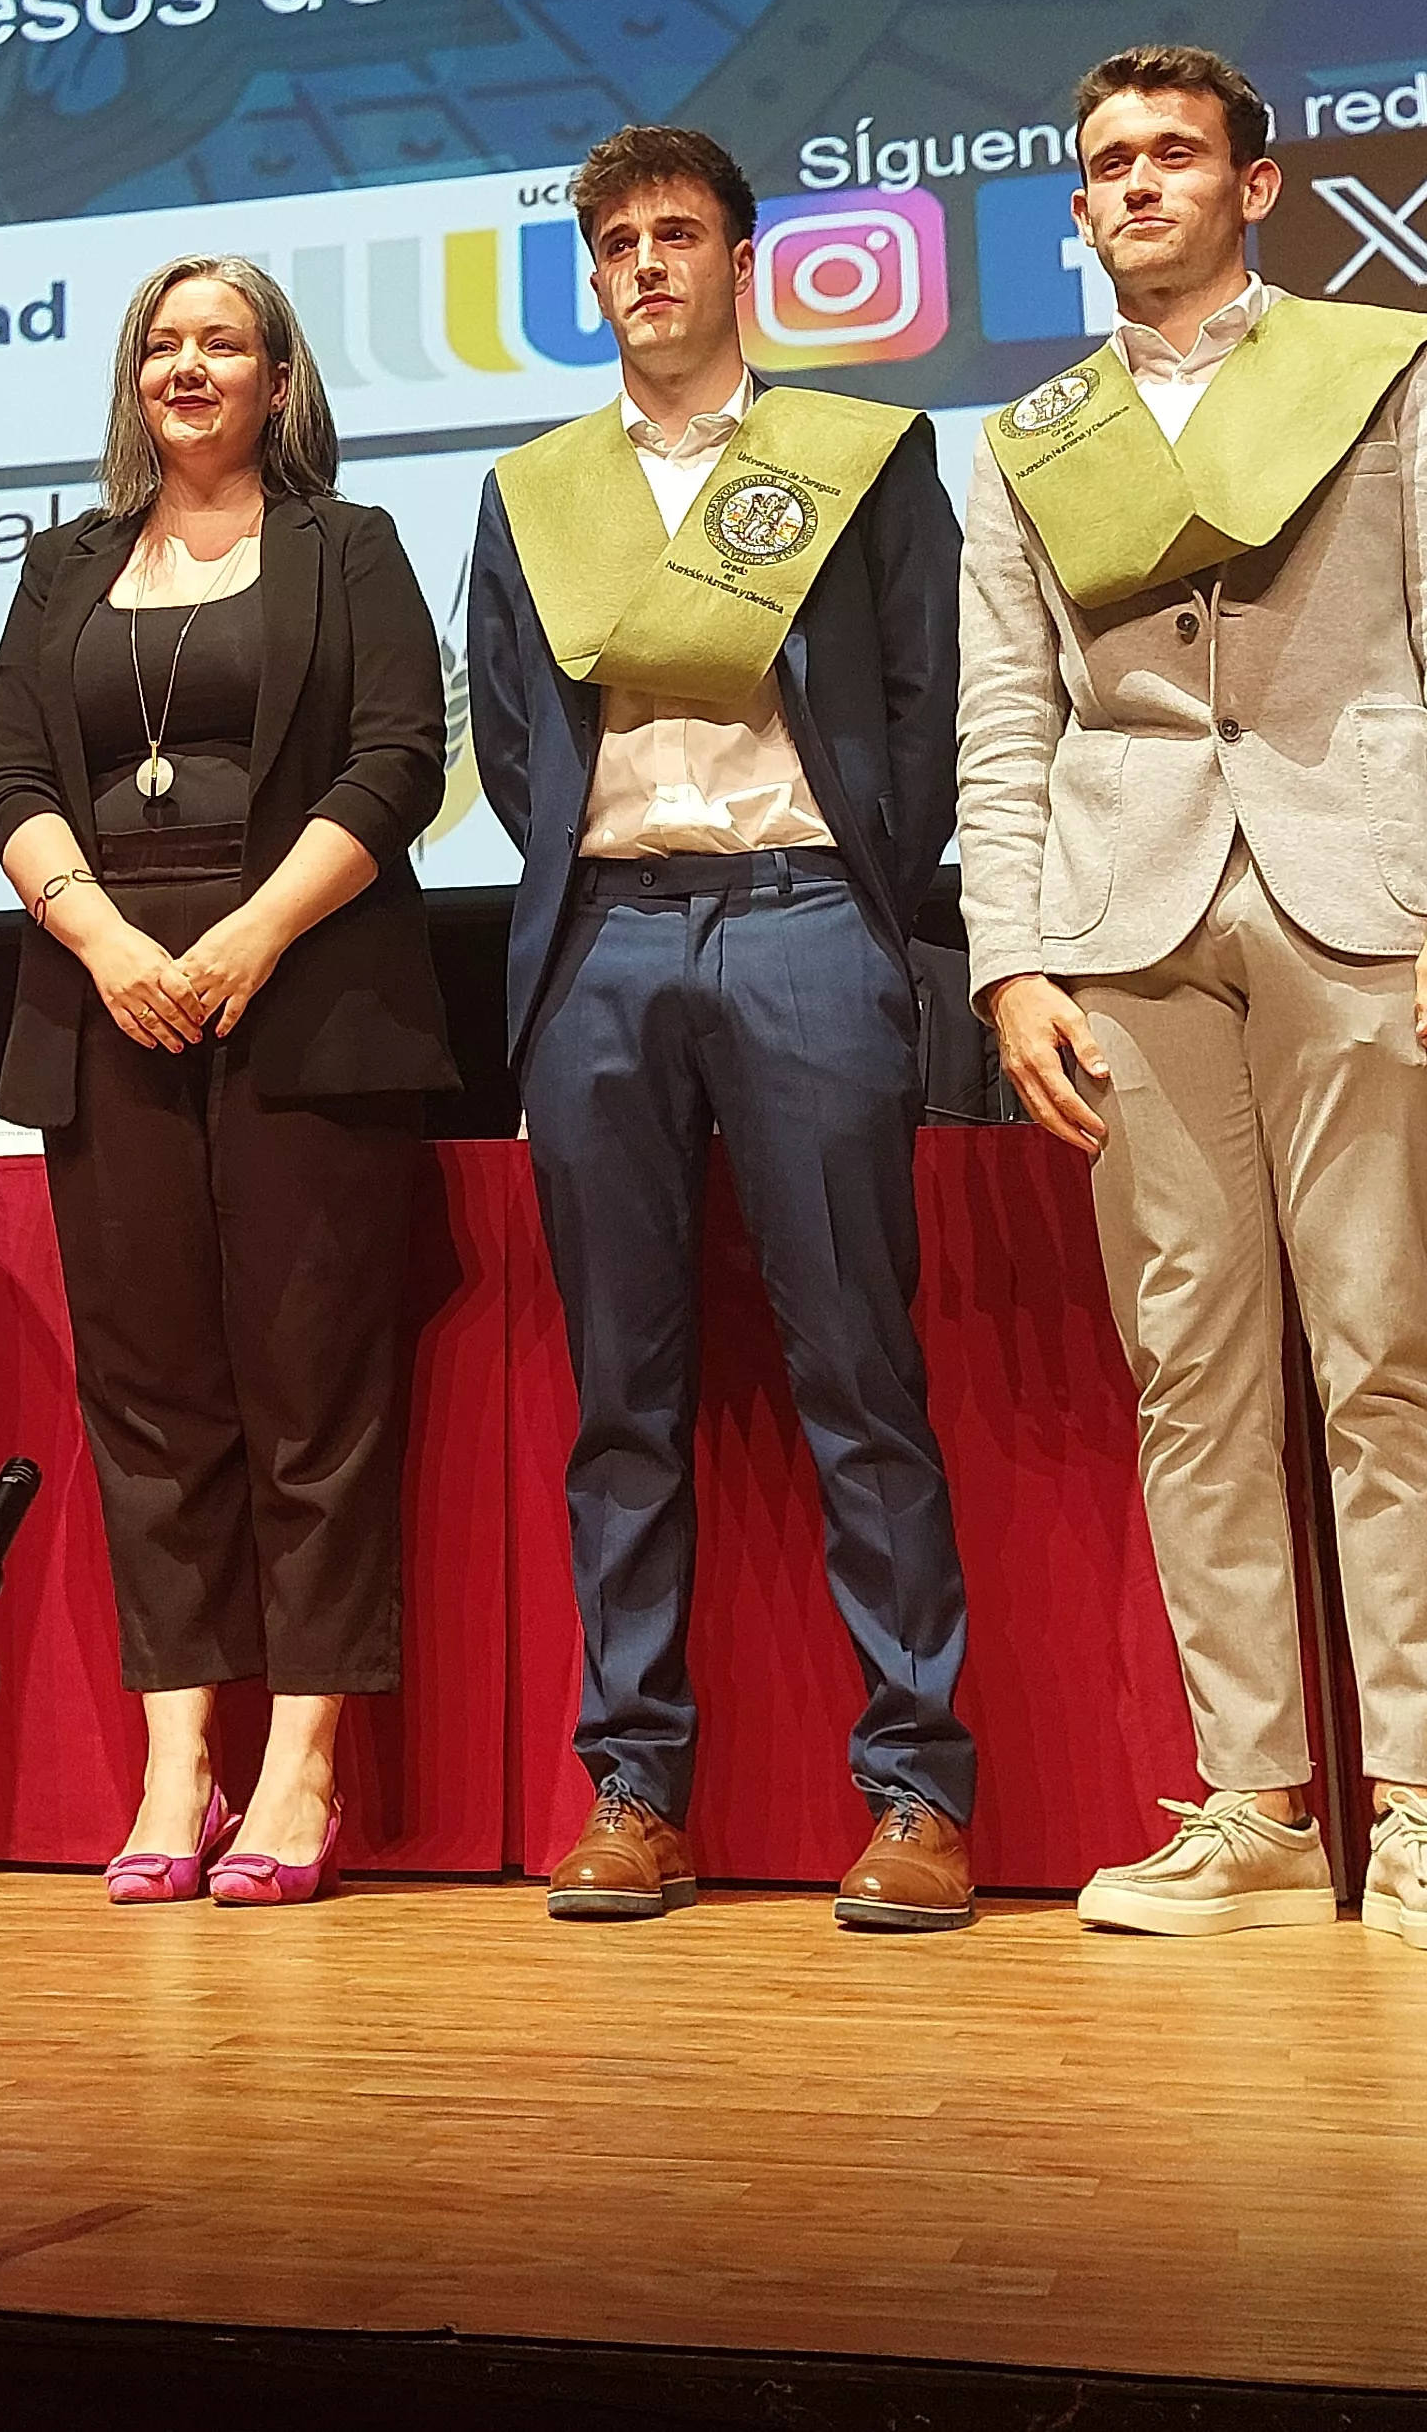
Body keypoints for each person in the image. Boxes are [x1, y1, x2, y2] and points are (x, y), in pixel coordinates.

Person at [956, 48, 1427, 1954]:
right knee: (1189, 1361)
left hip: (1358, 890)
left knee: (1382, 1339)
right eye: (1103, 162)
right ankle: (1252, 1801)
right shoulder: (1025, 429)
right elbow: (1001, 713)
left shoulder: (1383, 365)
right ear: (1075, 206)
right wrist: (1007, 956)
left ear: (1255, 183)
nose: (1134, 183)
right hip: (1123, 918)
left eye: (1170, 154)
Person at [465, 124, 983, 1936]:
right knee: (623, 1398)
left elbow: (923, 694)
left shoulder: (851, 456)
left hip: (797, 919)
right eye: (612, 239)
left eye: (674, 233)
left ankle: (914, 1790)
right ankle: (632, 1787)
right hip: (599, 937)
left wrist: (861, 893)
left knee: (857, 1373)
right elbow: (510, 737)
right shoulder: (530, 487)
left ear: (740, 257)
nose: (642, 264)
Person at [0, 259, 454, 1908]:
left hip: (307, 1003)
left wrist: (249, 935)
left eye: (221, 341)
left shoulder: (352, 550)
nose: (188, 366)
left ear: (275, 377)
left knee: (312, 1400)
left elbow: (395, 757)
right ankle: (177, 1758)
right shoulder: (55, 566)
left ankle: (299, 1766)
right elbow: (10, 775)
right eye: (160, 344)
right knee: (152, 1404)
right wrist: (105, 941)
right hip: (102, 1007)